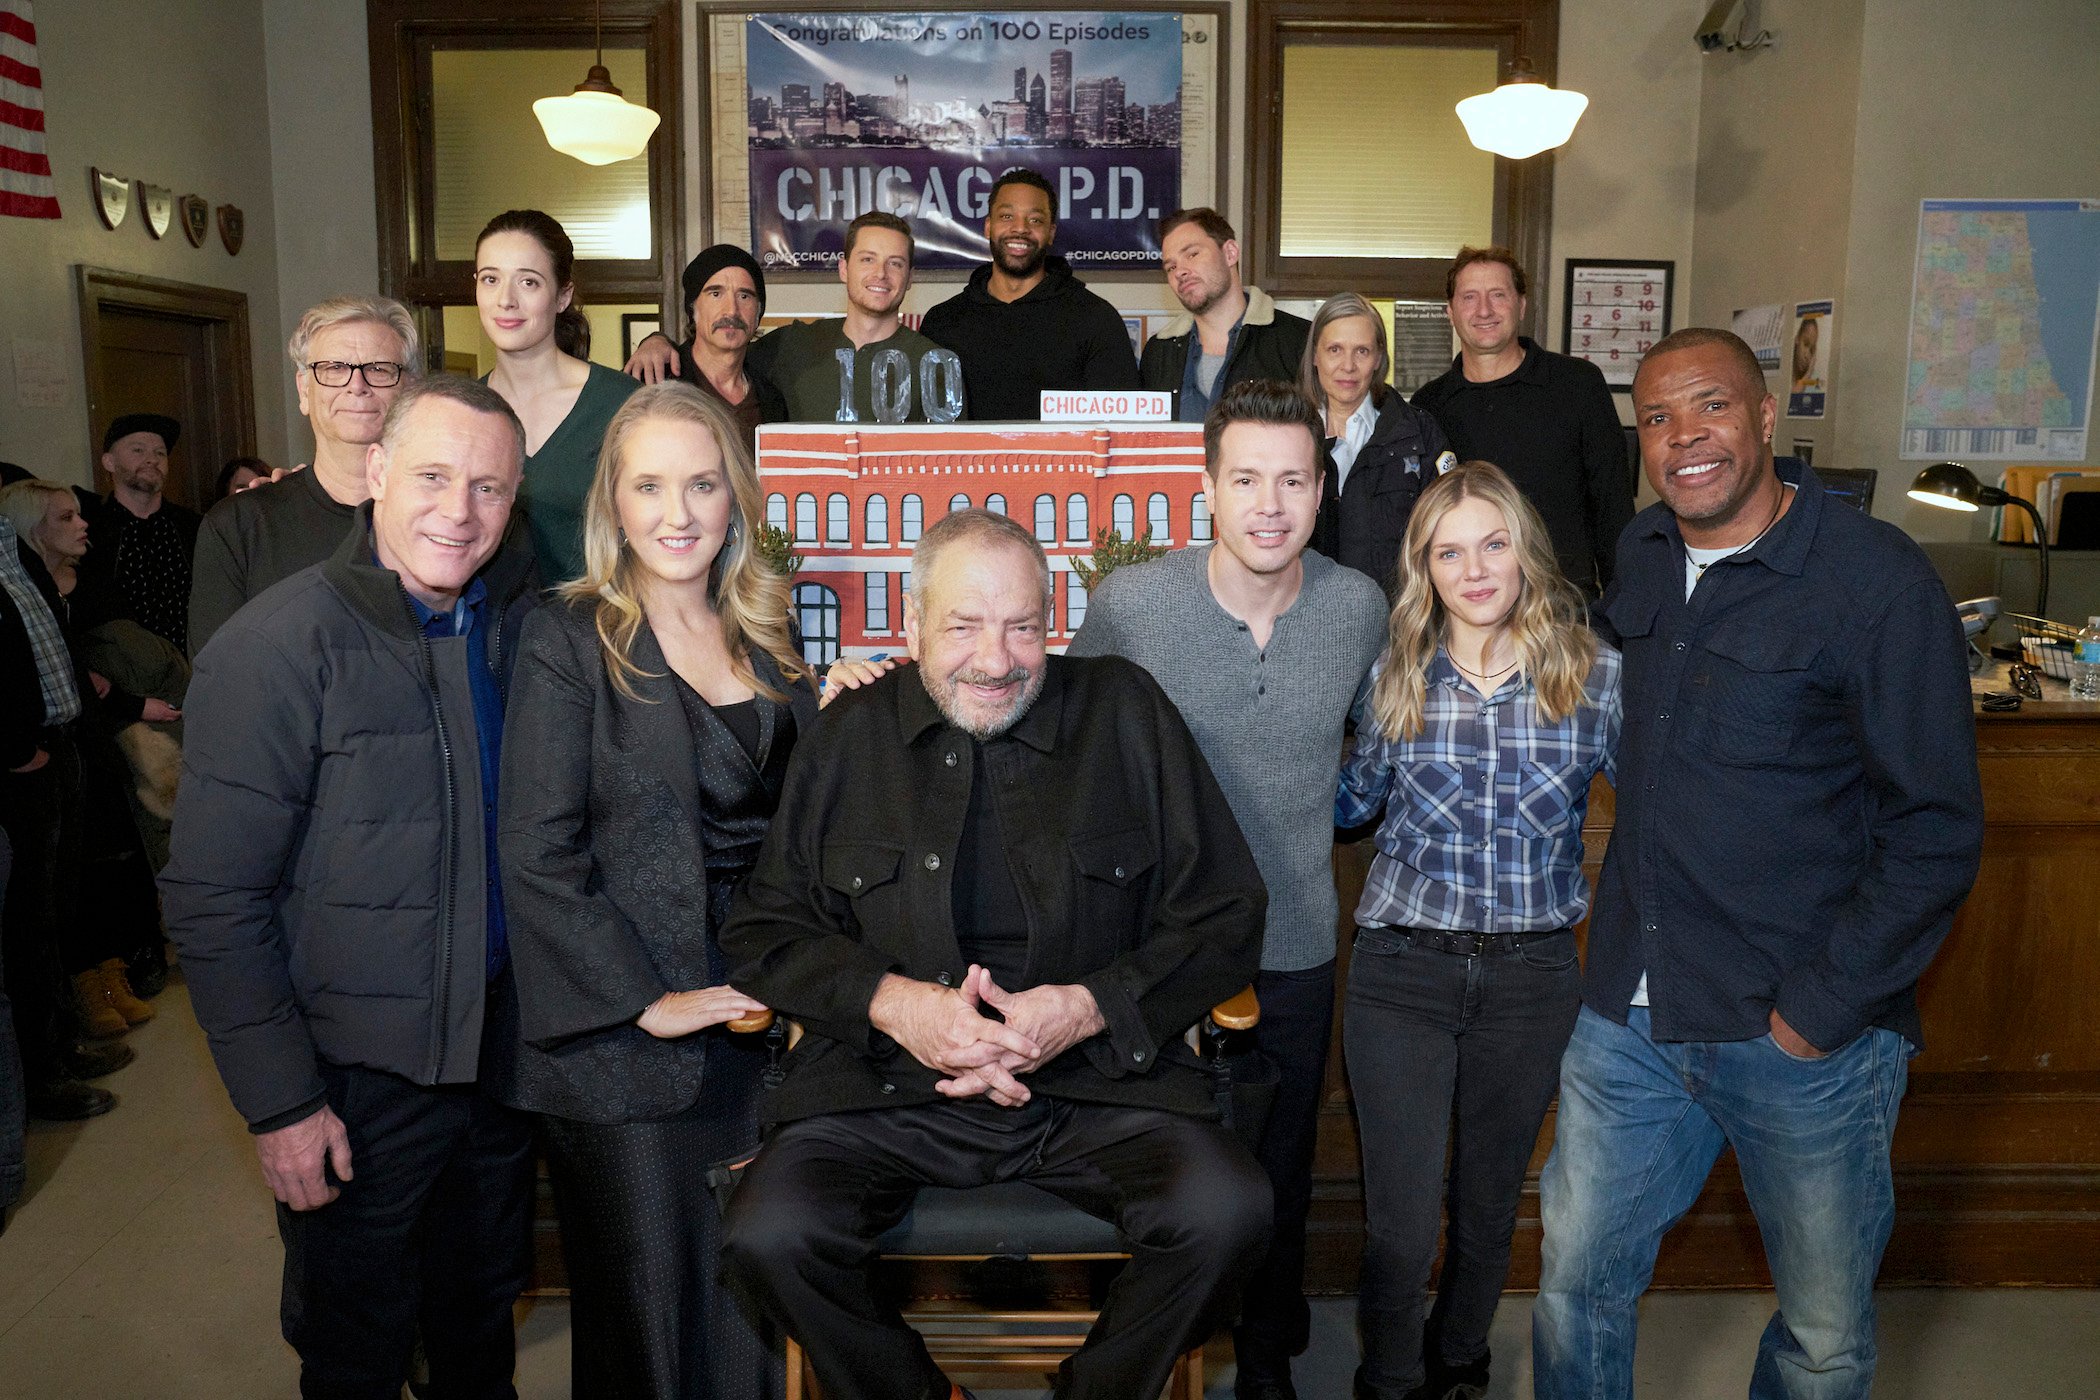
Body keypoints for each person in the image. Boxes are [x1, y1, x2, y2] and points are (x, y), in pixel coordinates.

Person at [717, 508, 1273, 1400]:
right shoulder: (848, 734)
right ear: (912, 627)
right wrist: (897, 1004)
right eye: (964, 626)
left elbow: (1226, 912)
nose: (995, 657)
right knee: (767, 1235)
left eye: (1022, 626)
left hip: (1098, 1084)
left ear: (1054, 621)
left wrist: (1089, 1006)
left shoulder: (1125, 710)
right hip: (887, 1090)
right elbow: (764, 930)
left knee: (1230, 1212)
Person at [1531, 329, 1986, 1400]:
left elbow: (1936, 829)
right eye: (1656, 418)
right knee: (1573, 1286)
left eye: (1710, 406)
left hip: (1803, 1031)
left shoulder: (1875, 582)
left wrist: (1818, 1012)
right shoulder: (1642, 551)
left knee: (1822, 1335)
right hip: (1631, 1019)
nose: (1684, 437)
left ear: (1767, 416)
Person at [160, 375, 543, 1400]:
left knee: (478, 1333)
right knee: (356, 1350)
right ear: (374, 471)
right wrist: (282, 1102)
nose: (458, 512)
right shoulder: (276, 649)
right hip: (353, 1088)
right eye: (430, 475)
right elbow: (213, 900)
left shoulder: (515, 637)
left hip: (495, 1071)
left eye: (489, 488)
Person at [1067, 379, 1387, 1400]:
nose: (1270, 502)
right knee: (1168, 1178)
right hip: (1154, 953)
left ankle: (1264, 1364)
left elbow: (1391, 741)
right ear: (1207, 487)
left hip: (1293, 944)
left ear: (1321, 487)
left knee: (1279, 1177)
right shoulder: (1134, 606)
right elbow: (1064, 740)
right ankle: (1156, 1354)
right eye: (1245, 477)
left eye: (1293, 478)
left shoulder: (1356, 607)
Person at [500, 381, 816, 1400]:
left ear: (736, 499)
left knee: (756, 1311)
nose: (677, 513)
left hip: (763, 1019)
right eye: (649, 486)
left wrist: (843, 706)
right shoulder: (568, 638)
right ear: (615, 504)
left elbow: (801, 824)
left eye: (701, 483)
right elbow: (538, 853)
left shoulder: (766, 631)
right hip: (626, 1039)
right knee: (656, 1323)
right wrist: (646, 999)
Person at [1336, 462, 1620, 1400]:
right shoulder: (1394, 673)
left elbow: (1665, 814)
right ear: (1425, 566)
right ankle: (1387, 1378)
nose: (1475, 567)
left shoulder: (1596, 674)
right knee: (1401, 1225)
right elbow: (1349, 806)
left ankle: (1459, 1361)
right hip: (1402, 971)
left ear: (1524, 549)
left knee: (1490, 1206)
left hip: (1533, 979)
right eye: (1449, 550)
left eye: (1493, 542)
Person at [1, 480, 171, 1034]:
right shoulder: (21, 587)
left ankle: (112, 968)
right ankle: (82, 987)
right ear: (32, 530)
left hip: (90, 738)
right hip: (52, 744)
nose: (83, 525)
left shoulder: (87, 583)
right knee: (59, 884)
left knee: (106, 862)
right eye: (66, 518)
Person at [190, 296, 420, 656]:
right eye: (333, 368)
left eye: (379, 368)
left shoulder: (450, 522)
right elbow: (218, 682)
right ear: (303, 391)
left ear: (410, 389)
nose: (356, 385)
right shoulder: (240, 527)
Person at [0, 512, 127, 1121]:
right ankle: (41, 1074)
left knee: (52, 913)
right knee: (25, 926)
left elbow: (49, 639)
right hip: (21, 763)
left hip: (59, 743)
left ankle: (60, 1047)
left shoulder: (10, 544)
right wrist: (15, 746)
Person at [1413, 248, 1628, 597]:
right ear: (1450, 312)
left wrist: (1619, 610)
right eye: (1470, 297)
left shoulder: (1578, 384)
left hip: (1563, 604)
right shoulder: (1429, 405)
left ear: (1521, 305)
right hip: (1468, 605)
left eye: (1498, 295)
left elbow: (1612, 507)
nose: (1484, 310)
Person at [632, 215, 957, 425]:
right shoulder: (789, 346)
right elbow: (720, 346)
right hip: (795, 527)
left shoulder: (937, 363)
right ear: (844, 268)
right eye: (867, 259)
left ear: (910, 276)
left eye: (895, 263)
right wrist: (657, 342)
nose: (880, 274)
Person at [477, 208, 641, 584]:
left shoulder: (622, 404)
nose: (505, 300)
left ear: (563, 295)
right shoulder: (461, 412)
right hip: (489, 637)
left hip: (599, 630)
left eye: (528, 283)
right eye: (490, 279)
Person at [919, 168, 1140, 420]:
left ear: (1051, 233)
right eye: (1006, 216)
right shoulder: (942, 322)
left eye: (1035, 220)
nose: (1020, 229)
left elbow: (1121, 430)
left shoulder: (1096, 320)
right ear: (988, 227)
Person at [1301, 294, 1456, 595]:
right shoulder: (1287, 435)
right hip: (1305, 623)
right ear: (1315, 356)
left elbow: (1448, 537)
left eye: (1361, 351)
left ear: (1378, 359)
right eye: (1335, 349)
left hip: (1396, 626)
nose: (1348, 366)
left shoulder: (1418, 435)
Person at [1139, 209, 1309, 423]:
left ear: (1230, 253)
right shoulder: (1159, 352)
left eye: (1192, 254)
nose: (1180, 272)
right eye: (1171, 267)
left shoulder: (1299, 340)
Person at [623, 244, 789, 445]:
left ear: (758, 313)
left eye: (744, 296)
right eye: (716, 294)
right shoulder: (653, 379)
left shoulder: (772, 400)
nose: (731, 311)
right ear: (693, 309)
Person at [81, 413, 201, 654]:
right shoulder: (89, 529)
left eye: (160, 453)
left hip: (194, 668)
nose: (151, 459)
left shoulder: (193, 526)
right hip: (125, 677)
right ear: (109, 462)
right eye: (138, 450)